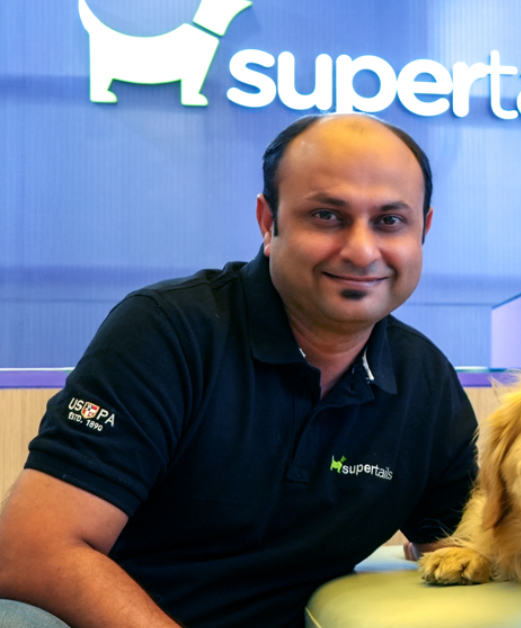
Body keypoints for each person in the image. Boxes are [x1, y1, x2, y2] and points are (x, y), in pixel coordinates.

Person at [0, 113, 477, 628]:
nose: (362, 251)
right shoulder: (169, 331)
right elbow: (32, 551)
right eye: (327, 216)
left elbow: (465, 545)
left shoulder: (425, 381)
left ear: (423, 230)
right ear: (268, 222)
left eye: (389, 221)